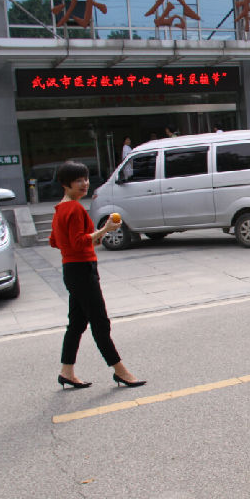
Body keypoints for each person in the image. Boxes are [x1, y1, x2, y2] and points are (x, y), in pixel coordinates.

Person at [49, 161, 145, 389]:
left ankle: (66, 372)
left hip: (72, 270)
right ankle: (120, 371)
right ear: (65, 184)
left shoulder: (60, 209)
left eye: (85, 179)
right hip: (82, 270)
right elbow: (78, 242)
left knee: (77, 324)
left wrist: (91, 238)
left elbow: (55, 241)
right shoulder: (74, 209)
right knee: (100, 322)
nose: (84, 184)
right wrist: (105, 230)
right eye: (78, 181)